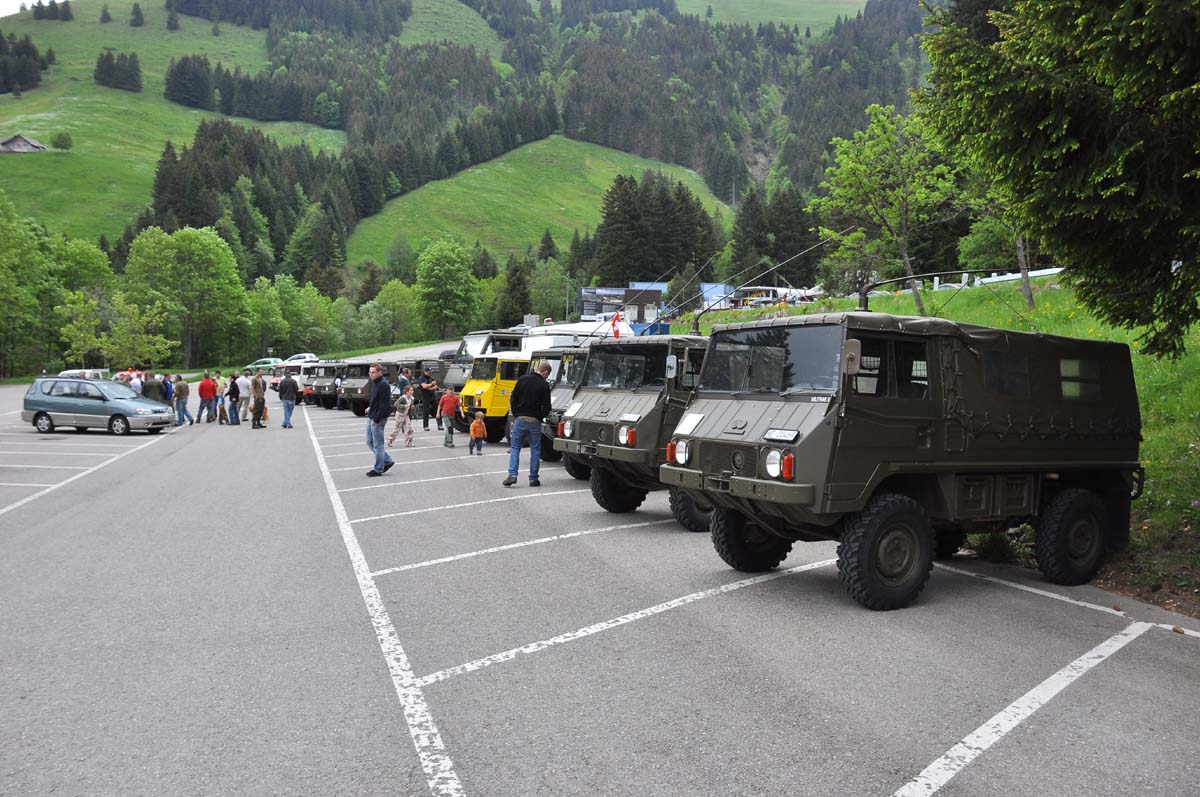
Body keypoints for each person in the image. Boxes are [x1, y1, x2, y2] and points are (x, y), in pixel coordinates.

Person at [503, 360, 552, 487]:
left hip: (520, 419)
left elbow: (513, 398)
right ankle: (533, 479)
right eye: (548, 374)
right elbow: (547, 407)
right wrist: (540, 417)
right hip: (535, 421)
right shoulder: (544, 384)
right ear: (545, 372)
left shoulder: (522, 380)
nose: (547, 377)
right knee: (535, 449)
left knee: (515, 447)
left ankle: (512, 475)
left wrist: (516, 413)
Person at [365, 363, 394, 477]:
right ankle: (387, 460)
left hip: (378, 418)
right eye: (370, 372)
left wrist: (376, 419)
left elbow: (385, 405)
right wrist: (370, 408)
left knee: (378, 444)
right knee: (370, 442)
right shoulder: (376, 383)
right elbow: (376, 401)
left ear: (380, 372)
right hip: (372, 416)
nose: (371, 374)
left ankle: (378, 469)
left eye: (373, 372)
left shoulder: (383, 384)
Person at [417, 366, 440, 431]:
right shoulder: (421, 378)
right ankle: (426, 426)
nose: (430, 373)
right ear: (425, 372)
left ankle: (439, 425)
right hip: (425, 396)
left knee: (437, 409)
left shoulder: (431, 378)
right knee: (426, 411)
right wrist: (431, 385)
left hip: (432, 396)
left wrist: (431, 387)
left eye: (430, 372)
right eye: (429, 372)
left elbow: (435, 386)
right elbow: (424, 386)